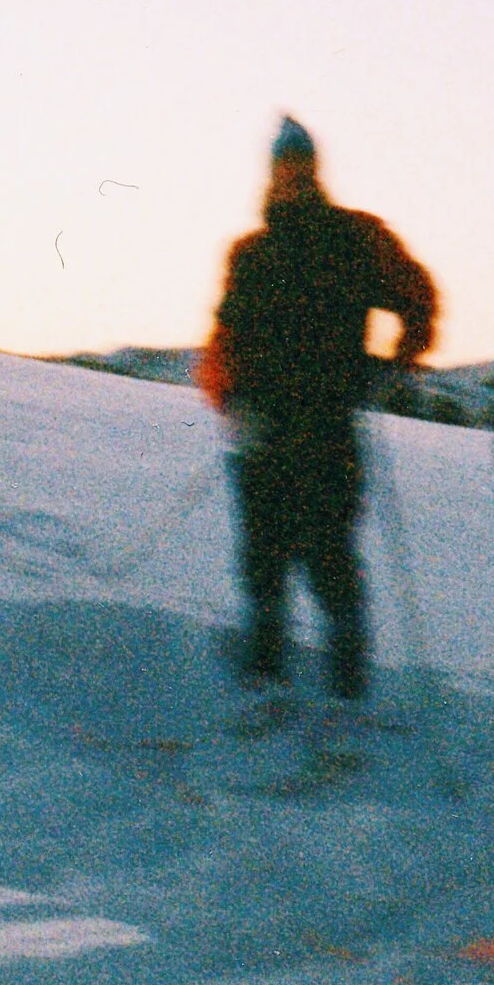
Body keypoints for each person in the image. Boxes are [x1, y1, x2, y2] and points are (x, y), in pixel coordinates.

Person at [198, 117, 437, 714]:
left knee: (328, 560)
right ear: (273, 172)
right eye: (284, 164)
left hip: (326, 429)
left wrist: (392, 368)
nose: (292, 174)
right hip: (261, 431)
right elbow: (225, 338)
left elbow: (418, 298)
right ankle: (265, 682)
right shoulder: (251, 252)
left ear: (314, 168)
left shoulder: (356, 236)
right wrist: (228, 400)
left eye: (299, 163)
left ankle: (346, 696)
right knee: (263, 562)